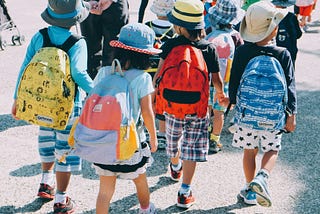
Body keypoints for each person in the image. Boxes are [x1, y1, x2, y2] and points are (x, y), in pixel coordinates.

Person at [11, 0, 94, 213]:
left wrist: (17, 99)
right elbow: (78, 73)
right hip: (67, 107)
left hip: (40, 104)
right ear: (75, 18)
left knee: (46, 143)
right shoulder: (77, 42)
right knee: (64, 150)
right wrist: (97, 92)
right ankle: (61, 199)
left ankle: (46, 182)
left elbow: (25, 67)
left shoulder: (39, 36)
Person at [153, 0, 225, 208]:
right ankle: (185, 191)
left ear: (178, 26)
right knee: (191, 148)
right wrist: (220, 94)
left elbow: (158, 75)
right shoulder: (208, 48)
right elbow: (216, 79)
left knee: (173, 140)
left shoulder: (169, 45)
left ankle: (175, 166)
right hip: (198, 106)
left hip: (173, 106)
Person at [228, 1, 297, 207]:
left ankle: (250, 191)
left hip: (247, 115)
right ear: (274, 28)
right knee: (272, 150)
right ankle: (263, 177)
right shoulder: (283, 53)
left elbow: (234, 85)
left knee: (249, 152)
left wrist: (233, 104)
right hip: (273, 116)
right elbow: (290, 87)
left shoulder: (242, 52)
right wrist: (291, 114)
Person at [92, 23, 159, 214]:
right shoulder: (142, 78)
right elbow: (147, 112)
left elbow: (93, 99)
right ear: (145, 54)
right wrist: (153, 138)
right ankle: (146, 209)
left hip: (103, 142)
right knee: (140, 180)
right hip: (131, 143)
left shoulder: (105, 71)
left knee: (105, 191)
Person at [205, 0, 244, 153]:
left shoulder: (209, 31)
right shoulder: (236, 36)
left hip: (207, 79)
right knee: (219, 112)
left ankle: (204, 133)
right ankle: (215, 139)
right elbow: (239, 59)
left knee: (207, 109)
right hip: (225, 81)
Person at [144, 0, 176, 149]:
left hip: (146, 70)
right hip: (165, 72)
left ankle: (145, 130)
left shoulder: (147, 26)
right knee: (162, 102)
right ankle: (162, 134)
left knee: (146, 101)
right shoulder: (174, 30)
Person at [80, 0, 129, 79]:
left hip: (115, 5)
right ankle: (94, 88)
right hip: (88, 4)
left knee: (115, 53)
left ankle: (111, 87)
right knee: (90, 53)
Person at [272, 0, 303, 67]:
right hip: (290, 49)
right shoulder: (292, 16)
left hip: (275, 49)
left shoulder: (272, 16)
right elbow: (298, 34)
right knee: (289, 70)